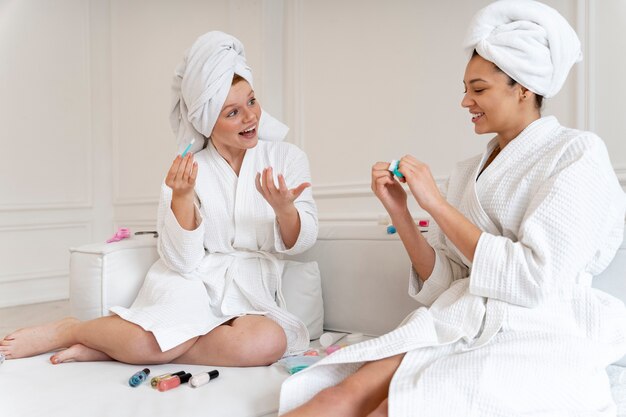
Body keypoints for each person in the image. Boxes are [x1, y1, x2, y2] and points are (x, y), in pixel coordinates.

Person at [278, 1, 626, 416]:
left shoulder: (576, 154)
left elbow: (534, 279)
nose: (465, 102)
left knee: (398, 406)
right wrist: (402, 214)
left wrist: (437, 205)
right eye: (465, 89)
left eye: (478, 89)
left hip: (537, 330)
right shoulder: (468, 172)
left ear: (524, 88)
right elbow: (447, 282)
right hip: (457, 317)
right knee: (338, 396)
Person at [0, 31, 318, 367]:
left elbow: (303, 242)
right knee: (156, 339)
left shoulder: (287, 157)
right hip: (191, 284)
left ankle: (121, 345)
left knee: (268, 341)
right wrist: (181, 199)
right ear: (208, 122)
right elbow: (182, 262)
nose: (251, 117)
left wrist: (286, 210)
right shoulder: (187, 170)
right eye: (233, 112)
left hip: (251, 291)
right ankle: (72, 330)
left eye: (252, 101)